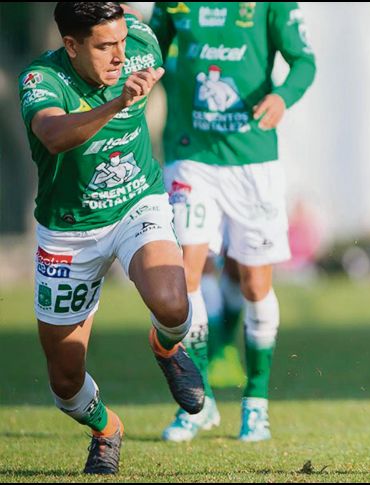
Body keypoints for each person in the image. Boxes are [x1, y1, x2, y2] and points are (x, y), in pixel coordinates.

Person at [18, 2, 204, 475]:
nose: (121, 56)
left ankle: (165, 346)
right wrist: (117, 102)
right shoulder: (42, 79)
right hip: (69, 232)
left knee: (172, 304)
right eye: (105, 46)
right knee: (64, 383)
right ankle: (106, 429)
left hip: (136, 203)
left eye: (122, 42)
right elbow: (54, 135)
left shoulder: (141, 40)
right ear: (72, 45)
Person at [150, 2, 316, 442]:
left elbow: (304, 60)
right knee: (182, 277)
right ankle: (197, 403)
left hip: (253, 162)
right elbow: (150, 49)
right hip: (190, 156)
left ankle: (256, 403)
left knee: (255, 286)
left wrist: (283, 96)